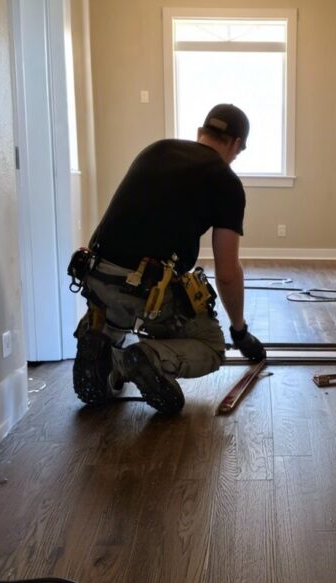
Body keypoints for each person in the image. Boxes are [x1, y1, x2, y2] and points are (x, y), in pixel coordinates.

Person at [68, 104, 266, 415]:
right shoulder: (226, 182)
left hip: (95, 275)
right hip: (144, 291)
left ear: (201, 133)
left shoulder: (156, 149)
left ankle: (99, 341)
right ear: (236, 145)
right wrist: (240, 332)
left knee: (116, 303)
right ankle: (146, 358)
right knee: (212, 346)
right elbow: (227, 272)